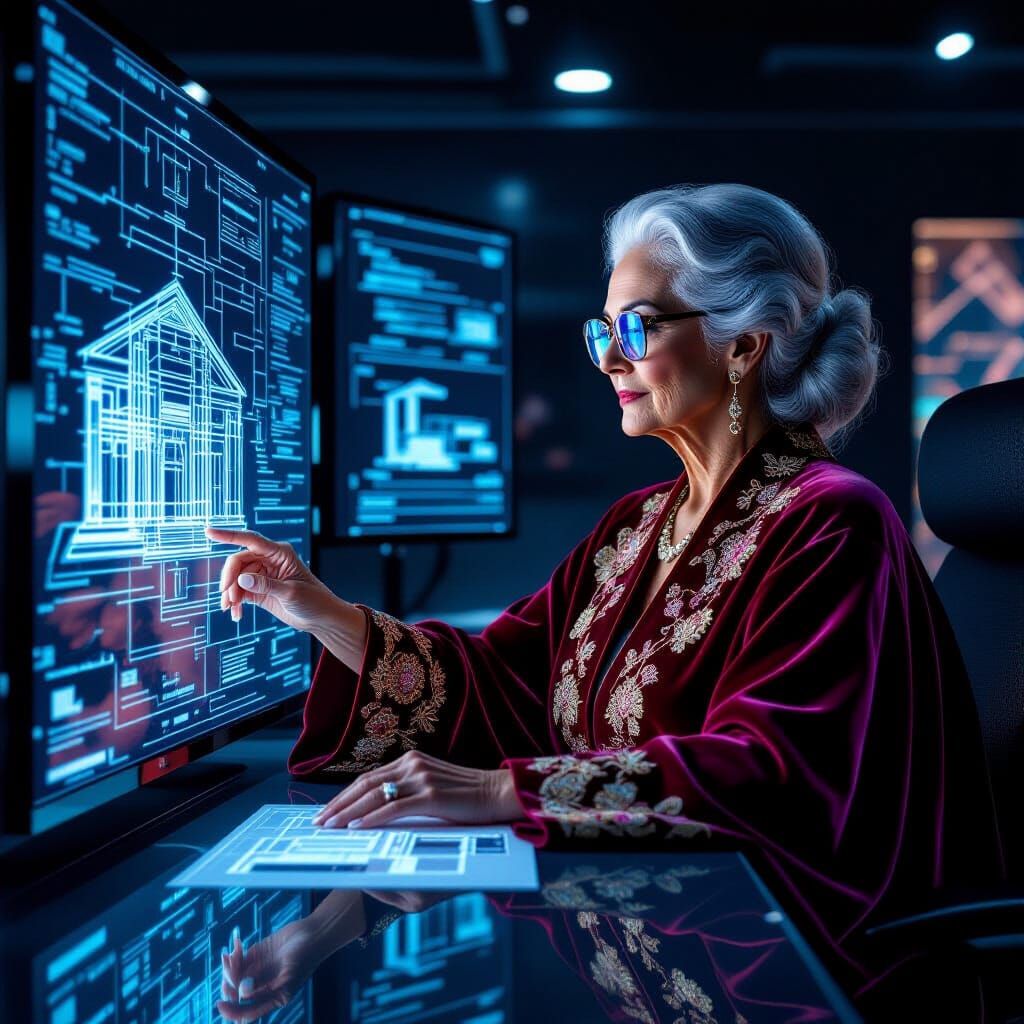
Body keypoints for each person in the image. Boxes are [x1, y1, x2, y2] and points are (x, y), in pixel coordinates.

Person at [205, 183, 1002, 996]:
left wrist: (497, 790)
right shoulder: (637, 523)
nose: (608, 359)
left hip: (782, 963)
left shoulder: (834, 520)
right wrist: (322, 612)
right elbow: (506, 686)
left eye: (635, 328)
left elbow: (774, 775)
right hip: (644, 931)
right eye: (602, 330)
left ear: (743, 346)